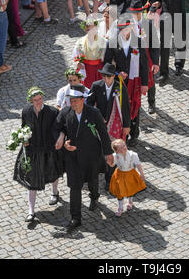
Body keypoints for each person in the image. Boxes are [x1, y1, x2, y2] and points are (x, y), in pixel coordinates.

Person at [55, 84, 113, 230]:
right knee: (74, 187)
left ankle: (94, 196)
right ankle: (76, 218)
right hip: (73, 158)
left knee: (93, 180)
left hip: (91, 156)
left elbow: (103, 134)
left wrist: (108, 153)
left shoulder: (94, 113)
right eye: (71, 100)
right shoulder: (66, 113)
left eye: (76, 100)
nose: (73, 103)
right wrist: (63, 140)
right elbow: (57, 127)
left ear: (82, 100)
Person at [13, 86, 64, 222]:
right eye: (35, 100)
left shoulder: (52, 112)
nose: (38, 102)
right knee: (32, 180)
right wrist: (24, 140)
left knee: (53, 173)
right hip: (33, 150)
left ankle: (55, 193)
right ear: (30, 100)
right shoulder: (26, 111)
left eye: (40, 99)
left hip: (49, 149)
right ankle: (31, 211)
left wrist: (59, 139)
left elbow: (59, 128)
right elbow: (24, 128)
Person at [104, 18, 149, 147]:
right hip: (119, 81)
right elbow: (107, 63)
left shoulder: (138, 42)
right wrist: (117, 73)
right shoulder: (112, 43)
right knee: (121, 105)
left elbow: (144, 64)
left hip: (134, 80)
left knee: (134, 105)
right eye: (122, 29)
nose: (124, 31)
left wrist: (145, 84)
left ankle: (134, 133)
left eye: (127, 28)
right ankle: (122, 131)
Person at [87, 62, 131, 190]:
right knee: (100, 151)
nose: (106, 79)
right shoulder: (96, 86)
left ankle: (110, 178)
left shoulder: (120, 87)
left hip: (115, 126)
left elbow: (125, 108)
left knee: (113, 151)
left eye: (109, 76)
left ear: (114, 77)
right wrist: (96, 117)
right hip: (100, 124)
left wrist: (127, 125)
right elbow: (89, 103)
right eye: (104, 76)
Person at [129, 0, 160, 115]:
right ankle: (134, 102)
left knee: (150, 81)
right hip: (133, 57)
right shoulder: (128, 24)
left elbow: (155, 44)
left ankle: (151, 102)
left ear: (141, 12)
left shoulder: (148, 24)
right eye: (133, 13)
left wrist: (156, 62)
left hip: (147, 57)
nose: (135, 16)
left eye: (137, 13)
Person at [108, 138, 146, 216]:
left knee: (130, 188)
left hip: (130, 174)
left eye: (124, 146)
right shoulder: (115, 156)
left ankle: (130, 202)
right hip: (120, 175)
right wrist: (109, 163)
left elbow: (138, 164)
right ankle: (120, 207)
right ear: (116, 151)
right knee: (120, 191)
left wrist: (141, 174)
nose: (123, 148)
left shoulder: (133, 154)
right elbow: (112, 164)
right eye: (120, 148)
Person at [72, 14, 106, 89]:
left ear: (96, 28)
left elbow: (106, 56)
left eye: (93, 29)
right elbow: (76, 55)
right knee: (87, 87)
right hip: (86, 68)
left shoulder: (103, 41)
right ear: (85, 30)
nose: (91, 31)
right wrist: (78, 62)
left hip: (98, 68)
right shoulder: (80, 42)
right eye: (88, 29)